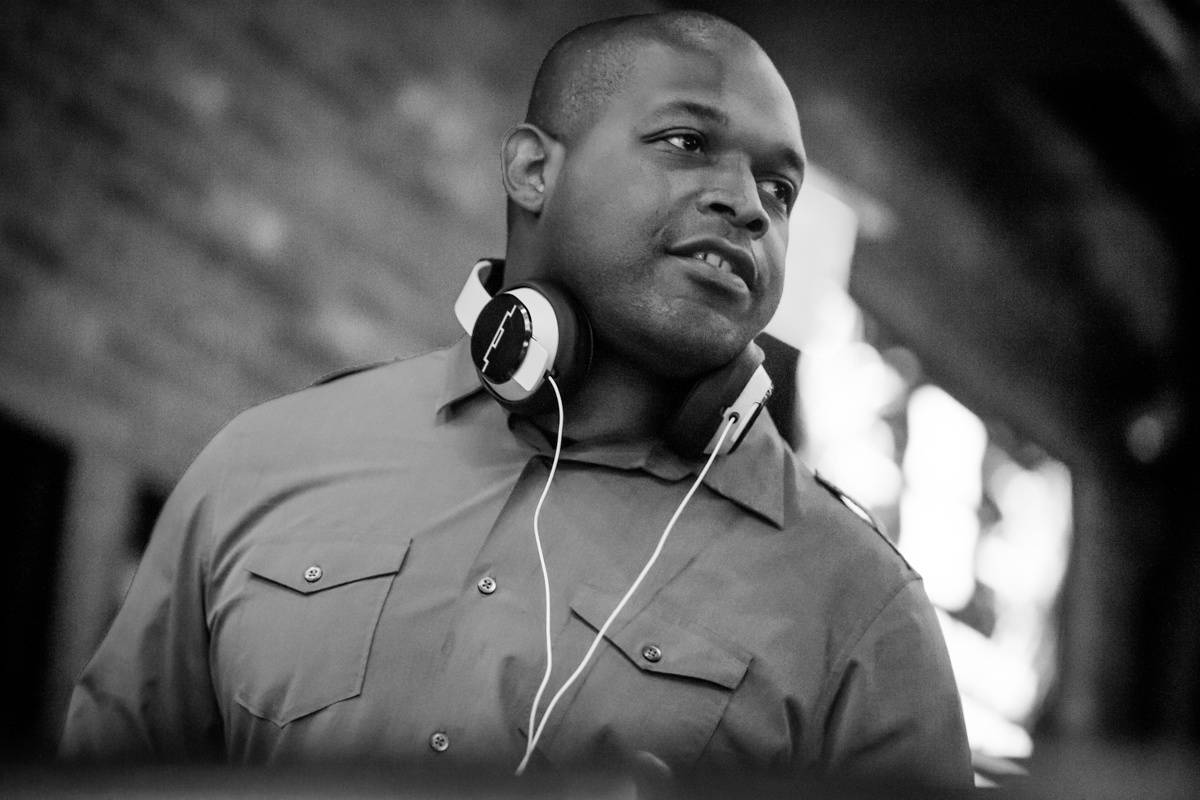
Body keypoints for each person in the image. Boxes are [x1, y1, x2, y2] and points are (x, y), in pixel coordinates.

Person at [61, 10, 972, 791]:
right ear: (534, 170)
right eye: (687, 143)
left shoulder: (859, 607)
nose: (748, 205)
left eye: (780, 188)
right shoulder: (269, 457)